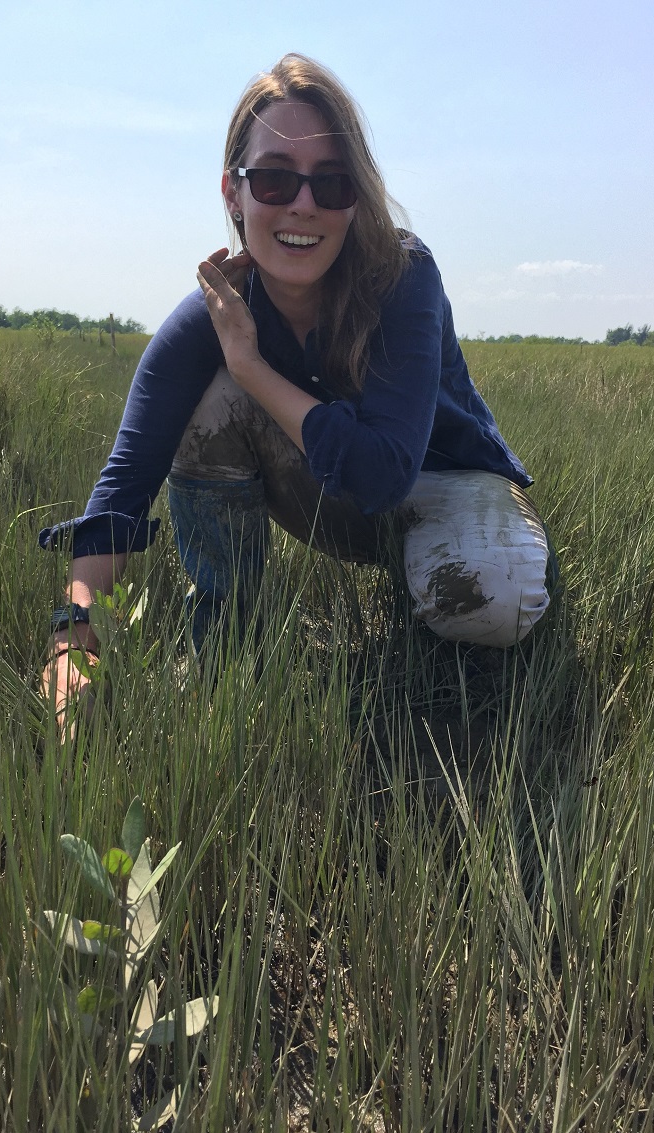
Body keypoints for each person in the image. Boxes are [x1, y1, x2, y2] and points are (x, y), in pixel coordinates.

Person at [40, 53, 551, 724]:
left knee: (495, 600)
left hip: (447, 483)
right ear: (234, 193)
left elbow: (384, 474)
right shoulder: (213, 315)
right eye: (275, 179)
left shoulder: (402, 278)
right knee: (208, 404)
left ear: (357, 198)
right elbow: (126, 482)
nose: (304, 205)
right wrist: (72, 639)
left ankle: (466, 603)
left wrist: (251, 367)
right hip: (341, 501)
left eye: (332, 183)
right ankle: (228, 638)